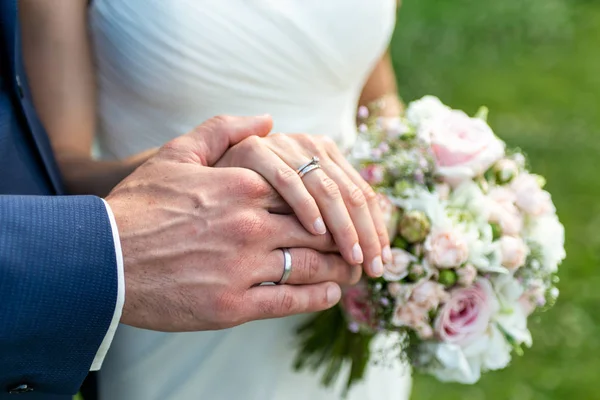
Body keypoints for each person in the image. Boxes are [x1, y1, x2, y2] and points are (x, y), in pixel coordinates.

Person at [19, 0, 414, 399]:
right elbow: (60, 171)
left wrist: (418, 188)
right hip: (182, 298)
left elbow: (378, 100)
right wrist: (207, 174)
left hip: (346, 283)